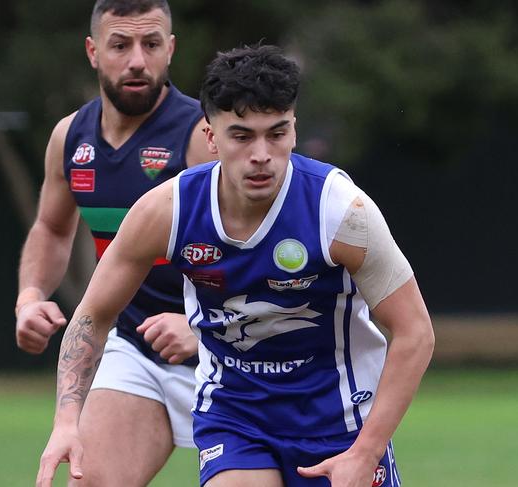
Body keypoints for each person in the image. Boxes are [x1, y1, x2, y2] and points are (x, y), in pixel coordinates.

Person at [36, 44, 435, 487]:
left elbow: (415, 332)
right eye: (242, 136)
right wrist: (67, 421)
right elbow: (93, 316)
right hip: (235, 416)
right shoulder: (168, 210)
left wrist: (367, 451)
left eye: (276, 133)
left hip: (337, 422)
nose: (261, 153)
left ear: (294, 130)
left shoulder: (341, 212)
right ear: (210, 136)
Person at [16, 1, 215, 485]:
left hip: (227, 355)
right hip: (137, 348)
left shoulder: (200, 135)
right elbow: (52, 228)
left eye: (151, 45)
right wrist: (30, 296)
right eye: (120, 45)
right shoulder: (70, 137)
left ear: (170, 50)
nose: (137, 61)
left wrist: (202, 324)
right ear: (93, 51)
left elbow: (250, 249)